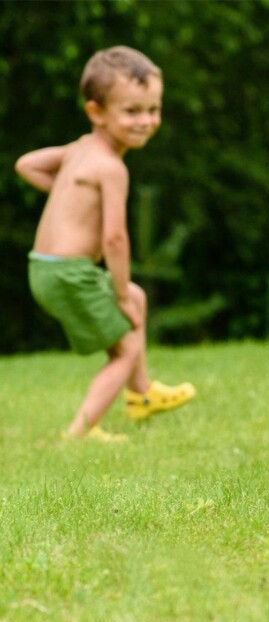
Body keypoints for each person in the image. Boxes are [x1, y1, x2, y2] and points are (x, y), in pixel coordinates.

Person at [15, 46, 195, 442]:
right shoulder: (111, 168)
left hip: (43, 267)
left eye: (153, 109)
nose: (146, 121)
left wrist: (71, 200)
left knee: (138, 296)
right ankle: (79, 432)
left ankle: (141, 395)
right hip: (68, 273)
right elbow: (115, 238)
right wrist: (118, 293)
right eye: (132, 111)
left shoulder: (80, 150)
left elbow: (26, 165)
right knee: (126, 345)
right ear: (97, 113)